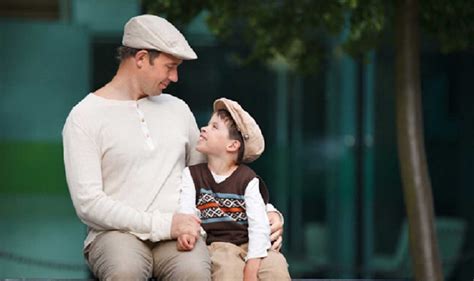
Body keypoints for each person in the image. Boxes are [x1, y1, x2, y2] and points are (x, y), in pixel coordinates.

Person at [62, 14, 284, 281]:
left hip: (183, 232)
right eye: (170, 67)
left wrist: (267, 212)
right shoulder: (84, 116)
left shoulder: (177, 109)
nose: (175, 77)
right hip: (116, 233)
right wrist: (163, 225)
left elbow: (215, 174)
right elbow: (89, 204)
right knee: (125, 272)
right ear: (141, 58)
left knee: (195, 273)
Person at [177, 98, 291, 281]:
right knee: (227, 269)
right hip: (218, 246)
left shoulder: (248, 179)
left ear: (232, 145)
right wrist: (186, 231)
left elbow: (259, 225)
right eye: (207, 124)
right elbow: (187, 210)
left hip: (254, 245)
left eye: (214, 127)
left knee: (276, 268)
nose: (203, 129)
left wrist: (252, 267)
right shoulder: (192, 175)